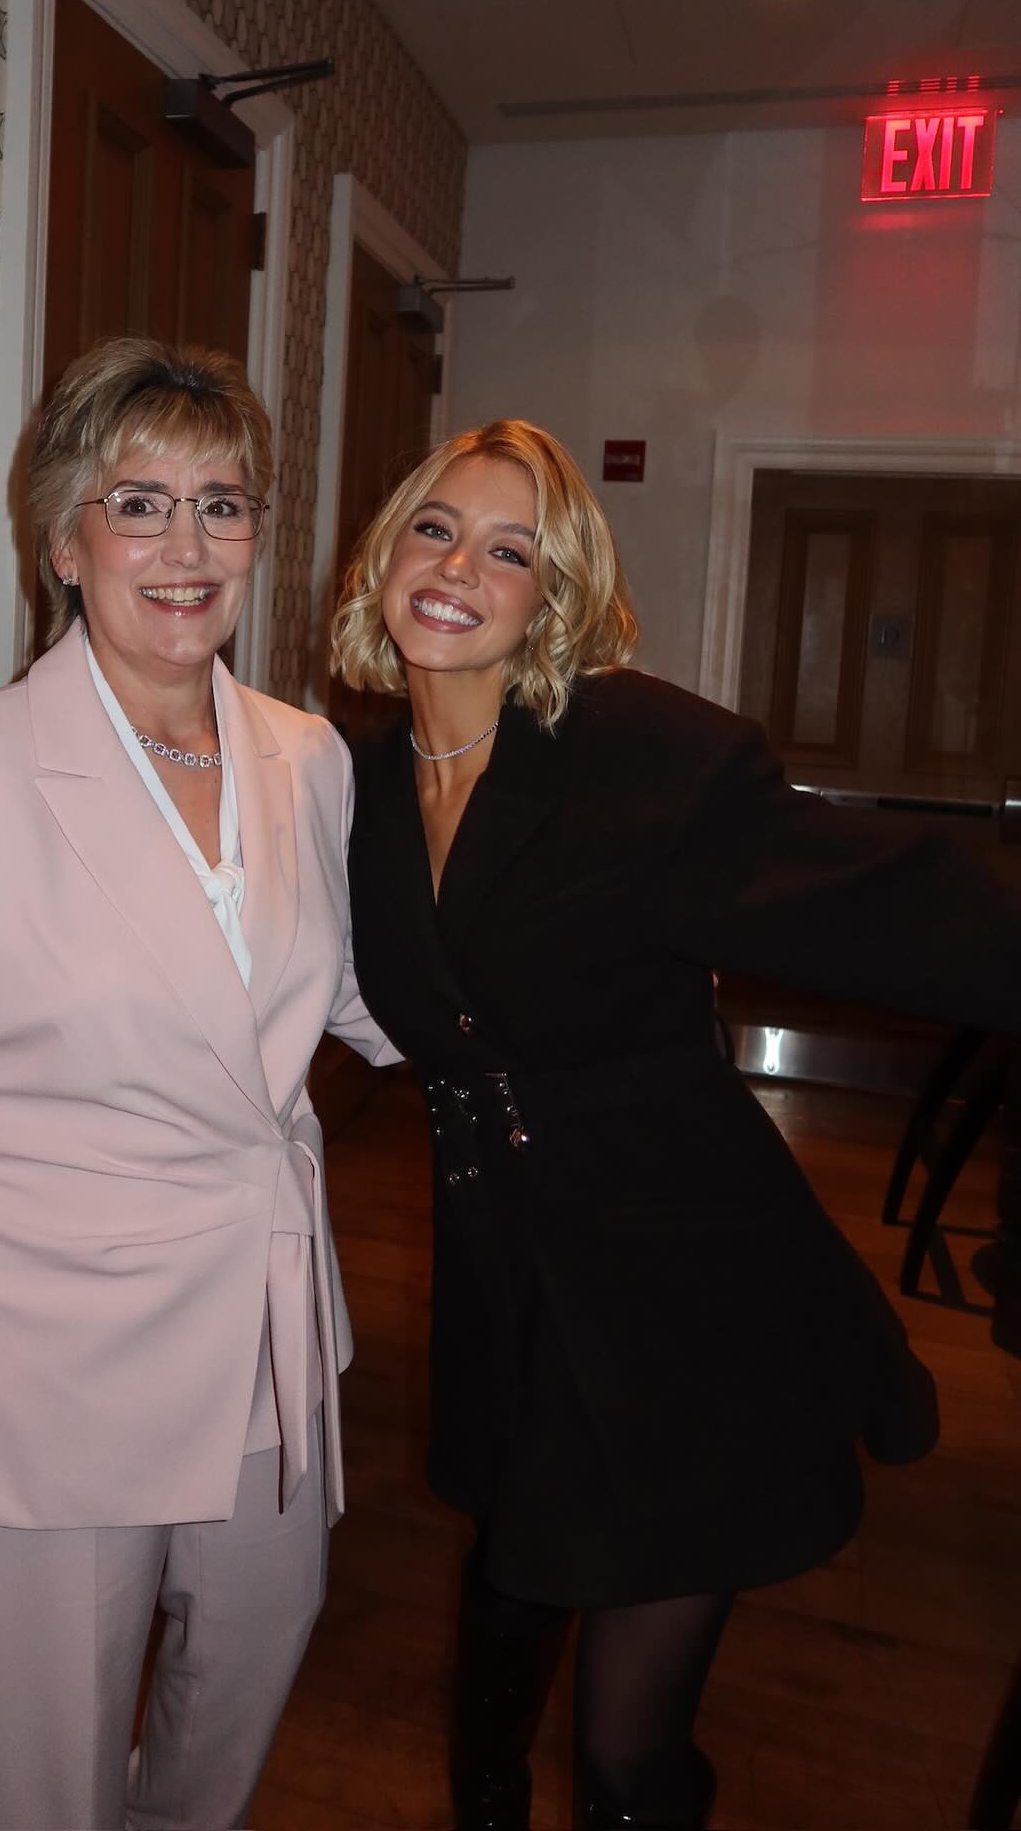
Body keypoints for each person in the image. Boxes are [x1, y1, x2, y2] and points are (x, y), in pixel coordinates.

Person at [332, 419, 1021, 1830]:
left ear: (554, 597)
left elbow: (886, 897)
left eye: (510, 551)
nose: (458, 568)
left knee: (626, 1751)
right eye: (436, 530)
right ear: (385, 554)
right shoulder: (353, 785)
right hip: (507, 1273)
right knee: (513, 1590)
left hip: (685, 1288)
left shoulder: (635, 756)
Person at [0, 337, 397, 1831]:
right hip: (38, 1390)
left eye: (222, 504)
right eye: (140, 504)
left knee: (234, 1712)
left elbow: (347, 994)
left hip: (268, 1351)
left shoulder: (308, 758)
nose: (188, 547)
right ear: (63, 541)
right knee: (45, 1787)